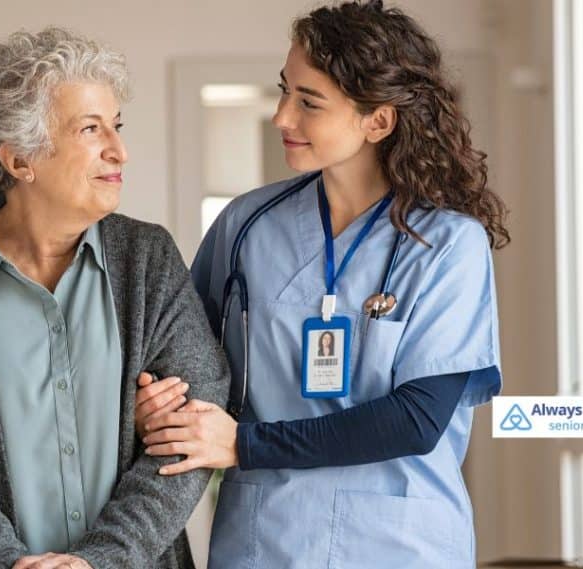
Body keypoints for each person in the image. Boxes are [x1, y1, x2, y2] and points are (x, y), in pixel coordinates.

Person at [133, 2, 508, 567]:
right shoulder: (245, 226)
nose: (282, 117)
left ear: (378, 121)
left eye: (309, 102)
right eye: (285, 91)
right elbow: (183, 364)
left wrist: (243, 444)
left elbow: (416, 419)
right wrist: (155, 406)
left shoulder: (448, 245)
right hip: (264, 542)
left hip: (396, 547)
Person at [0, 27, 228, 569]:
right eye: (90, 128)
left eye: (116, 125)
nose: (119, 151)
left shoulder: (148, 259)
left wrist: (101, 561)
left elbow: (192, 429)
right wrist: (5, 562)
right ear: (20, 160)